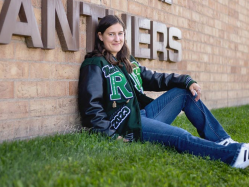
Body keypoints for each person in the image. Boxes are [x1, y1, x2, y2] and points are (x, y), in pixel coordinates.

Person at [78, 15, 249, 169]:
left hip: (143, 114)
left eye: (120, 33)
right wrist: (111, 134)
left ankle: (222, 140)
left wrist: (185, 80)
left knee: (184, 93)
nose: (117, 39)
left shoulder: (127, 61)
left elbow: (154, 78)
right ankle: (233, 156)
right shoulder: (94, 63)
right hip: (128, 125)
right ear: (100, 36)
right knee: (180, 135)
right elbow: (91, 108)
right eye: (111, 34)